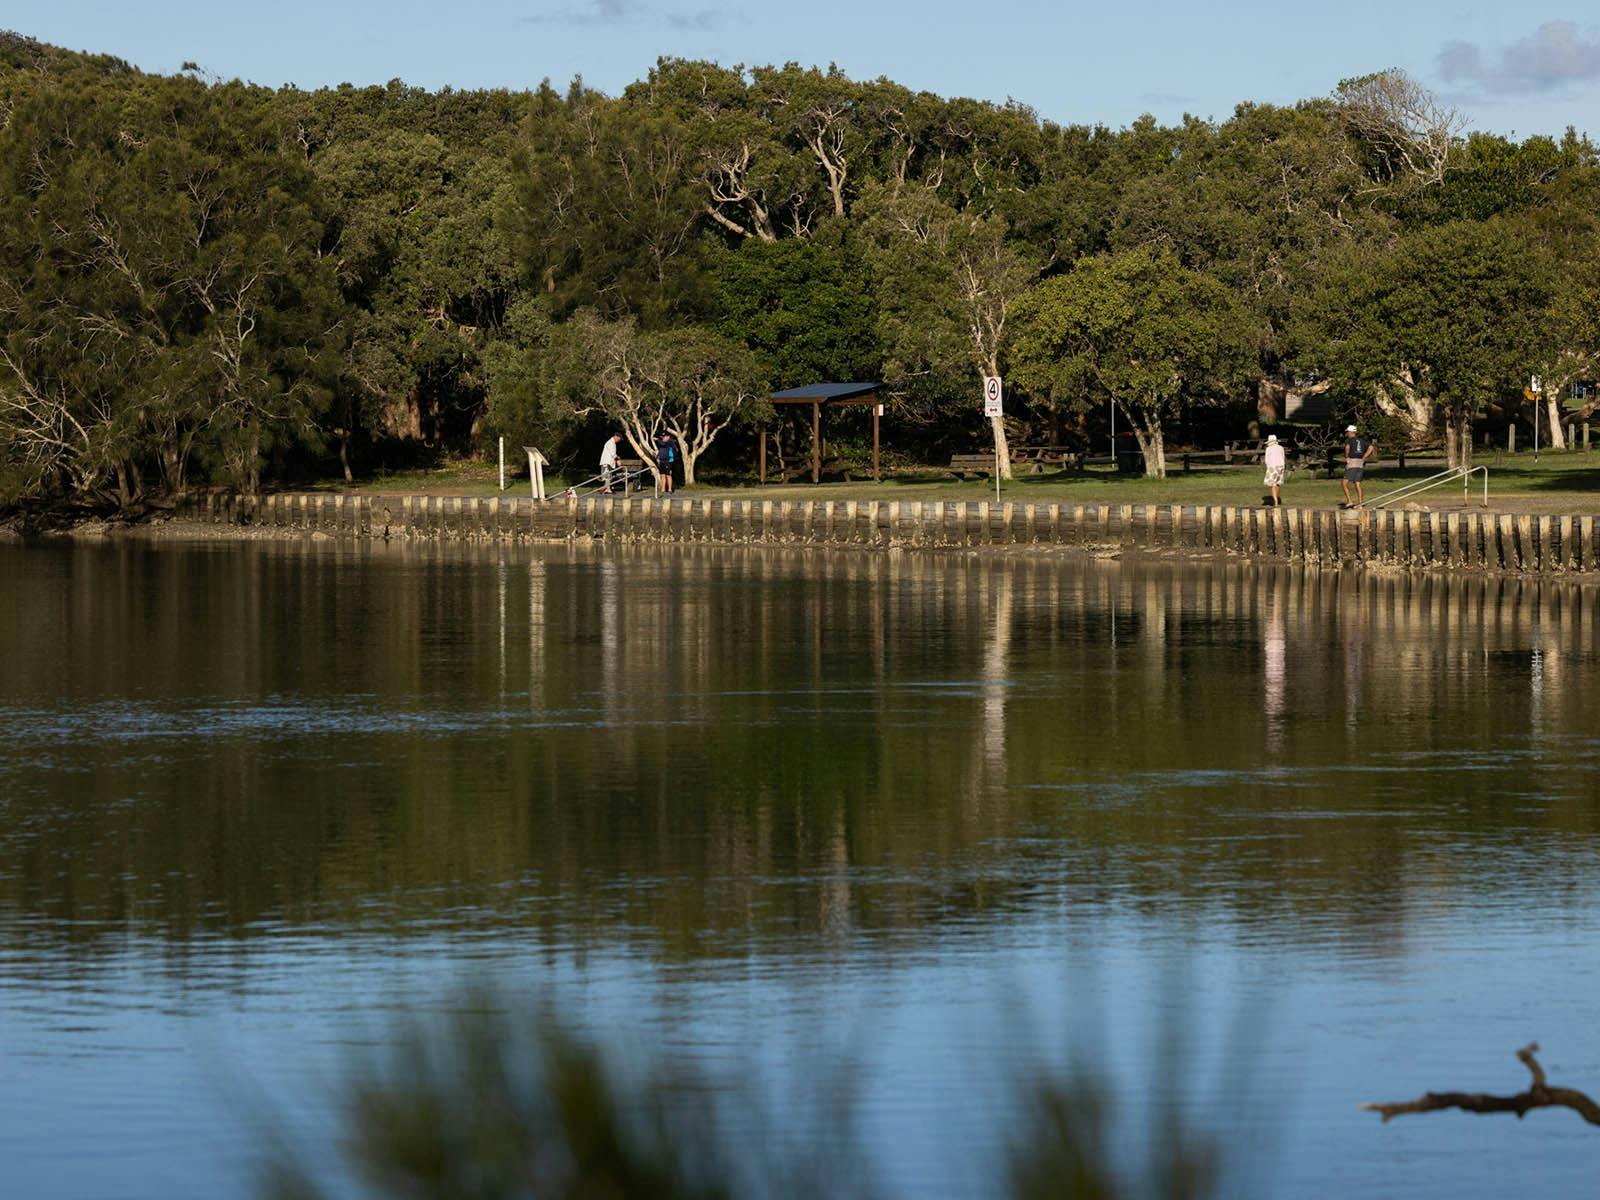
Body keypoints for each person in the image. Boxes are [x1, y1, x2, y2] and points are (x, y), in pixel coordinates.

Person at [1341, 423, 1375, 508]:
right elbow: (1371, 447)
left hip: (1352, 462)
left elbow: (1347, 448)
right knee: (1357, 483)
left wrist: (1347, 457)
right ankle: (1360, 503)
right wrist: (1364, 457)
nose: (1347, 433)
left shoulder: (1349, 440)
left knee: (1344, 483)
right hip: (1360, 463)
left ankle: (1349, 501)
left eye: (1347, 432)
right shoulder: (1361, 440)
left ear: (1351, 432)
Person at [1262, 433, 1287, 507]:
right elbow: (1283, 457)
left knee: (1272, 484)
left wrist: (1268, 467)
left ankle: (1275, 500)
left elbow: (1267, 460)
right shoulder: (1281, 448)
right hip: (1281, 466)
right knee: (1277, 483)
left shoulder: (1268, 449)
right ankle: (1276, 498)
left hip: (1273, 466)